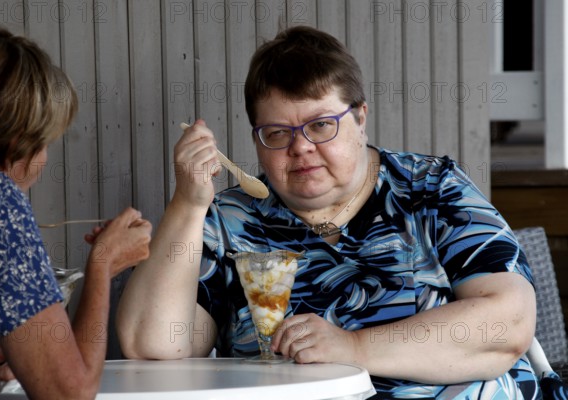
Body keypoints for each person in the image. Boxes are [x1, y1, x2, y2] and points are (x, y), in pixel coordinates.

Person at [116, 26, 540, 398]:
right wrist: (188, 204)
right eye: (277, 133)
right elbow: (151, 342)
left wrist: (353, 349)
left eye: (321, 125)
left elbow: (508, 323)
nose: (300, 147)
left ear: (360, 118)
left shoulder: (430, 188)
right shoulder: (231, 221)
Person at [0, 25, 152, 398]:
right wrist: (102, 264)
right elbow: (69, 393)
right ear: (18, 143)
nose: (45, 158)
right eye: (45, 142)